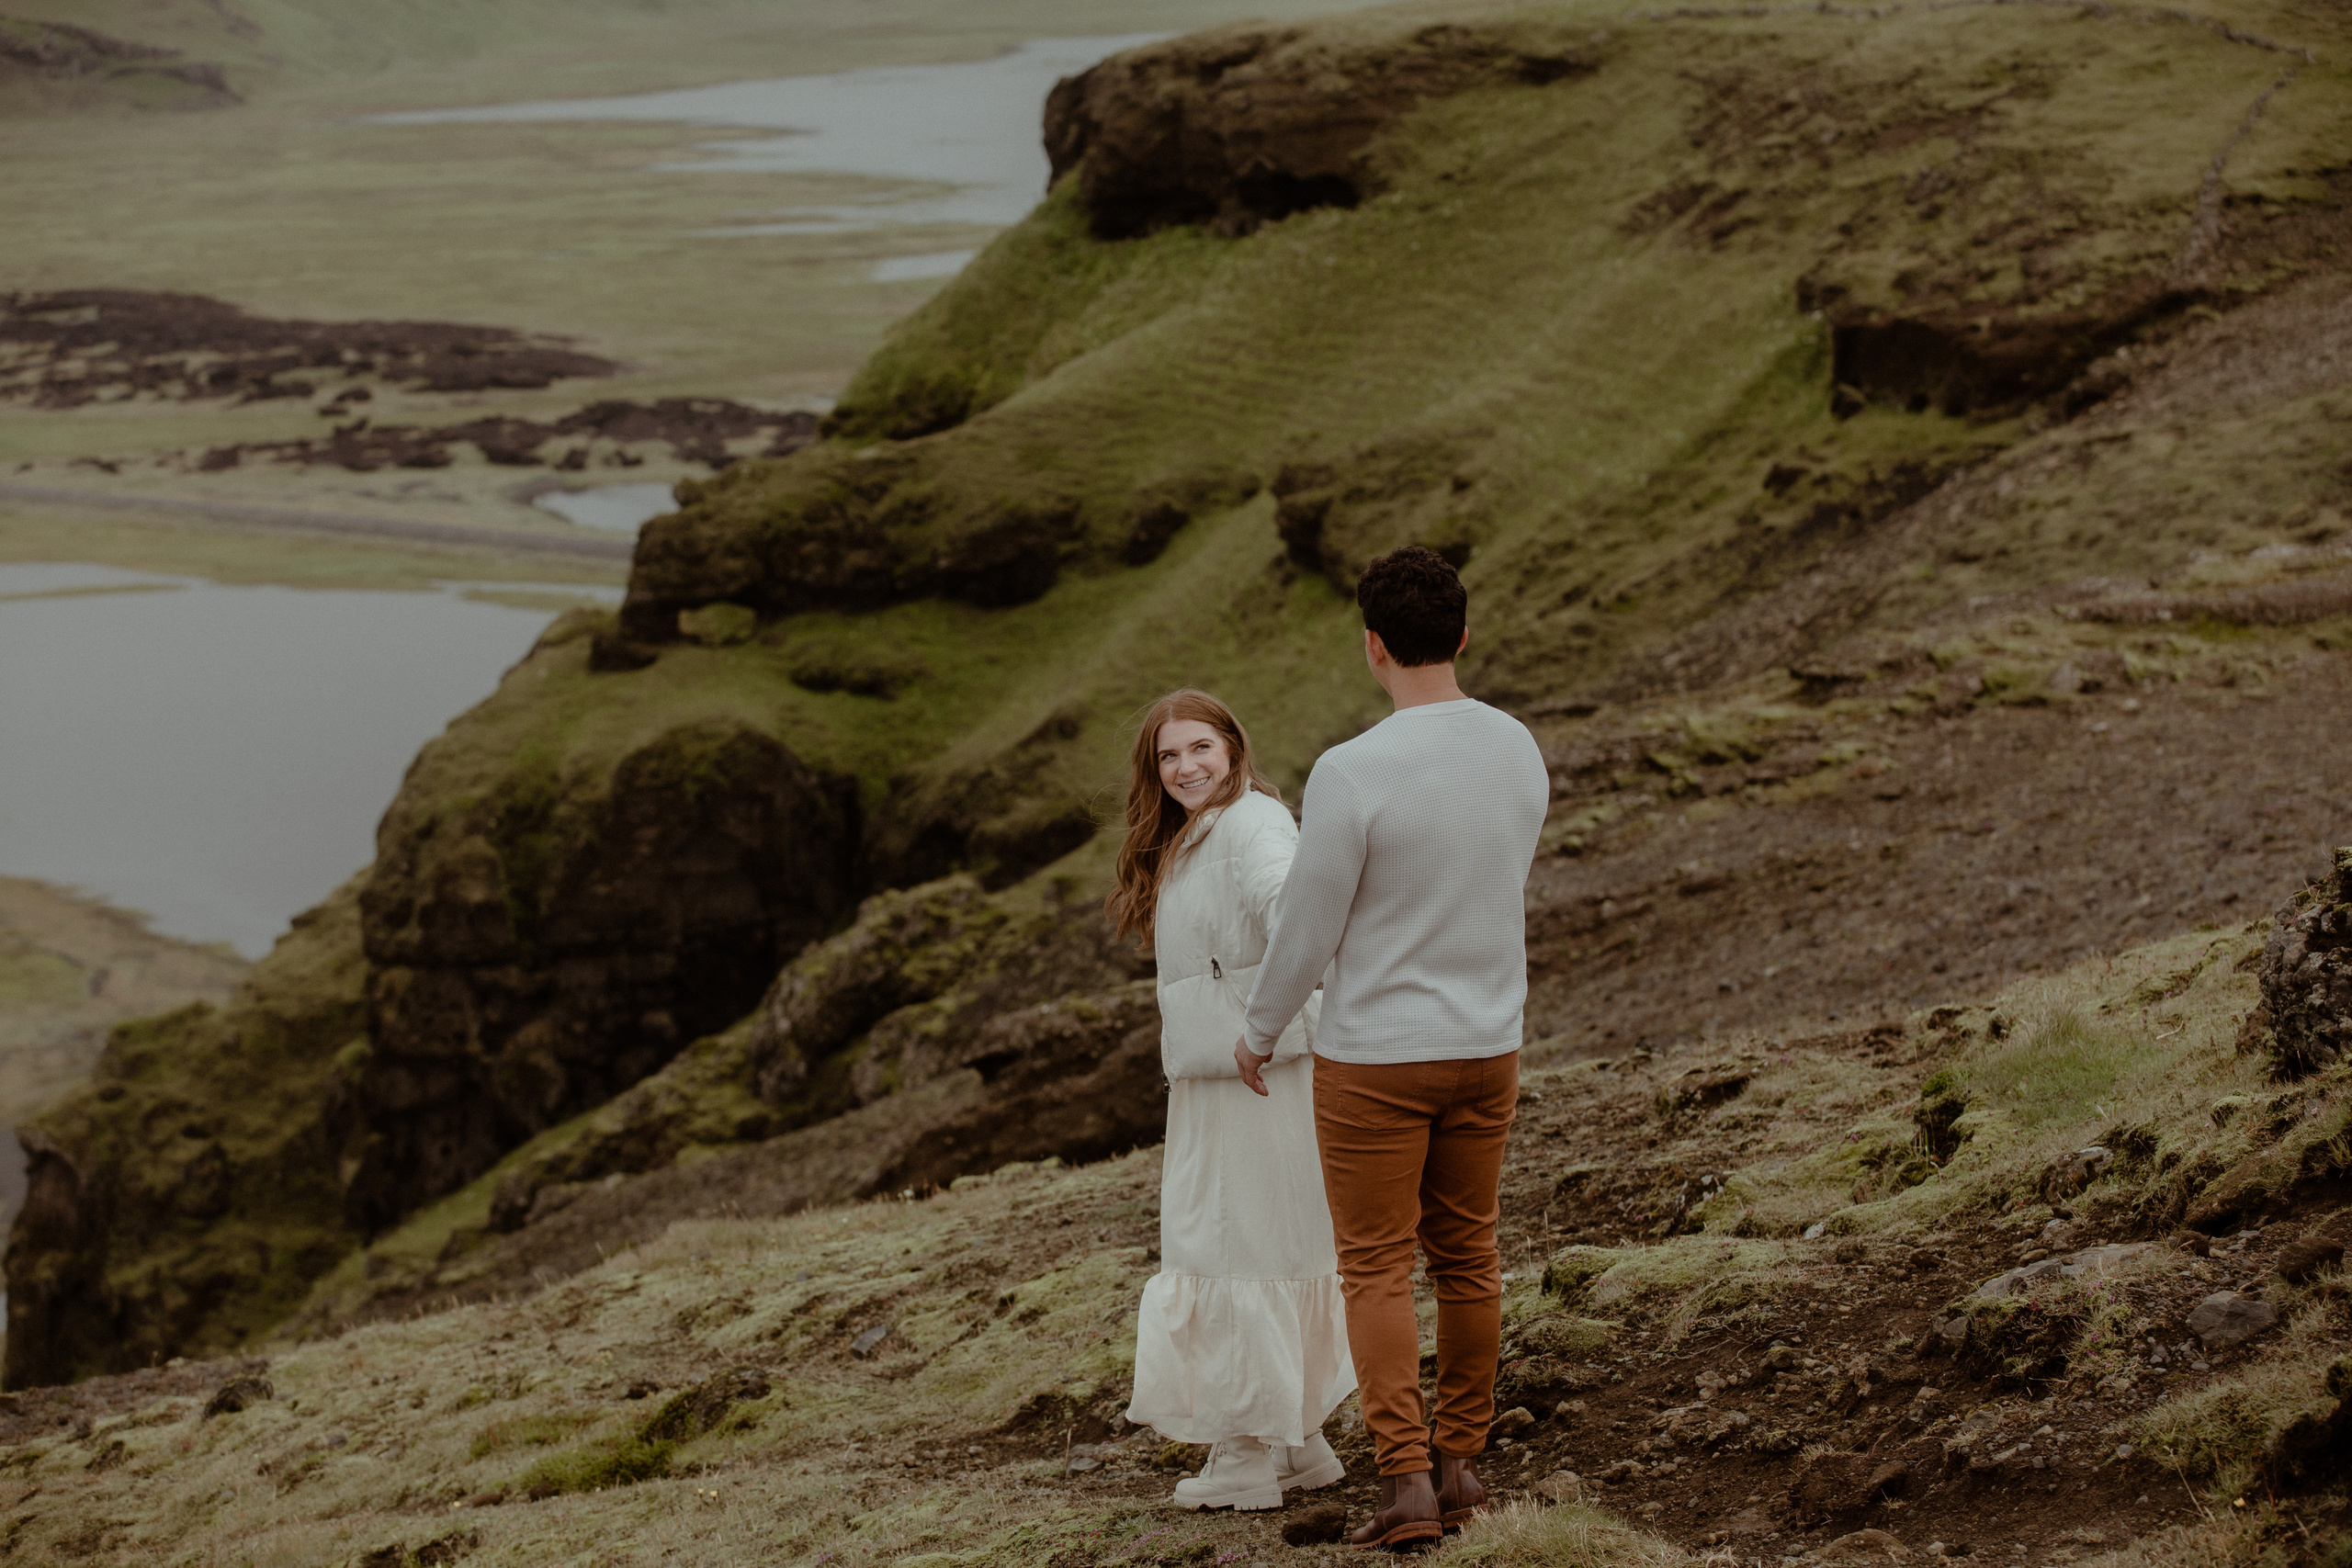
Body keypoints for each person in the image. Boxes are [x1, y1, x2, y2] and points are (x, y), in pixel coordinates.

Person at [1235, 545, 1549, 1550]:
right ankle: (1462, 1469)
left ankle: (1406, 1486)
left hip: (1375, 1056)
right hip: (1487, 1043)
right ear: (1463, 635)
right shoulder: (1517, 746)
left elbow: (1309, 925)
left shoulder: (1352, 769)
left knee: (1374, 1267)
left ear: (1372, 645)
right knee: (1469, 1255)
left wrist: (1259, 1029)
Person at [1112, 690, 1355, 1512]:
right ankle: (1298, 1441)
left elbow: (1294, 910)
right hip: (1236, 1071)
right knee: (1271, 1242)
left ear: (1232, 747)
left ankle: (1244, 1453)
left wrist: (1262, 1023)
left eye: (1199, 748)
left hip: (1250, 1073)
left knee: (1227, 1245)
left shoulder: (1252, 824)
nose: (1184, 767)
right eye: (1167, 756)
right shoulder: (1201, 834)